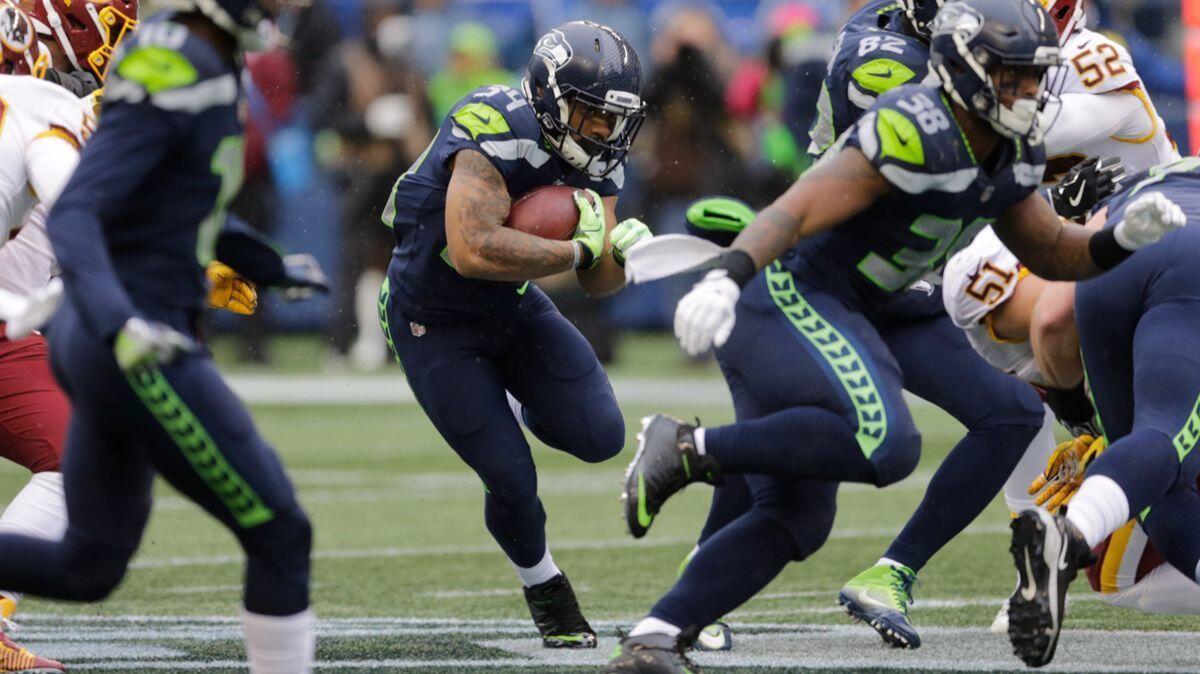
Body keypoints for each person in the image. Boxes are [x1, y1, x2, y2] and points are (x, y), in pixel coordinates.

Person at [607, 0, 1183, 670]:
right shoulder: (914, 126)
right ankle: (685, 447)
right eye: (1012, 78)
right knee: (886, 441)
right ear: (964, 71)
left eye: (1034, 78)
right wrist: (728, 275)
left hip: (878, 299)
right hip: (800, 291)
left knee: (798, 518)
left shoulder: (1012, 143)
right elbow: (797, 210)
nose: (1029, 94)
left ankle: (655, 635)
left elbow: (1054, 251)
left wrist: (1116, 242)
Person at [0, 0, 330, 670]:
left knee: (89, 565)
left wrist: (257, 262)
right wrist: (123, 313)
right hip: (119, 331)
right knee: (278, 530)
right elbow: (82, 214)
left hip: (78, 324)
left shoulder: (180, 62)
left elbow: (159, 202)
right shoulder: (139, 71)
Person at [378, 21, 651, 648]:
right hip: (433, 317)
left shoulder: (598, 150)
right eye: (591, 114)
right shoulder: (492, 125)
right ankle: (544, 585)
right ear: (551, 96)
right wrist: (578, 251)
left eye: (615, 118)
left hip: (511, 306)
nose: (605, 133)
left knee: (601, 435)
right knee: (510, 476)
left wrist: (618, 255)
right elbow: (472, 249)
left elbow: (599, 281)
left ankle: (522, 401)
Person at [1007, 158, 1200, 667]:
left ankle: (1073, 529)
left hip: (1111, 259)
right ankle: (1070, 538)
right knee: (1167, 441)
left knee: (1156, 482)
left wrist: (1073, 407)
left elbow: (1050, 319)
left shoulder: (1152, 179)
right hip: (1190, 265)